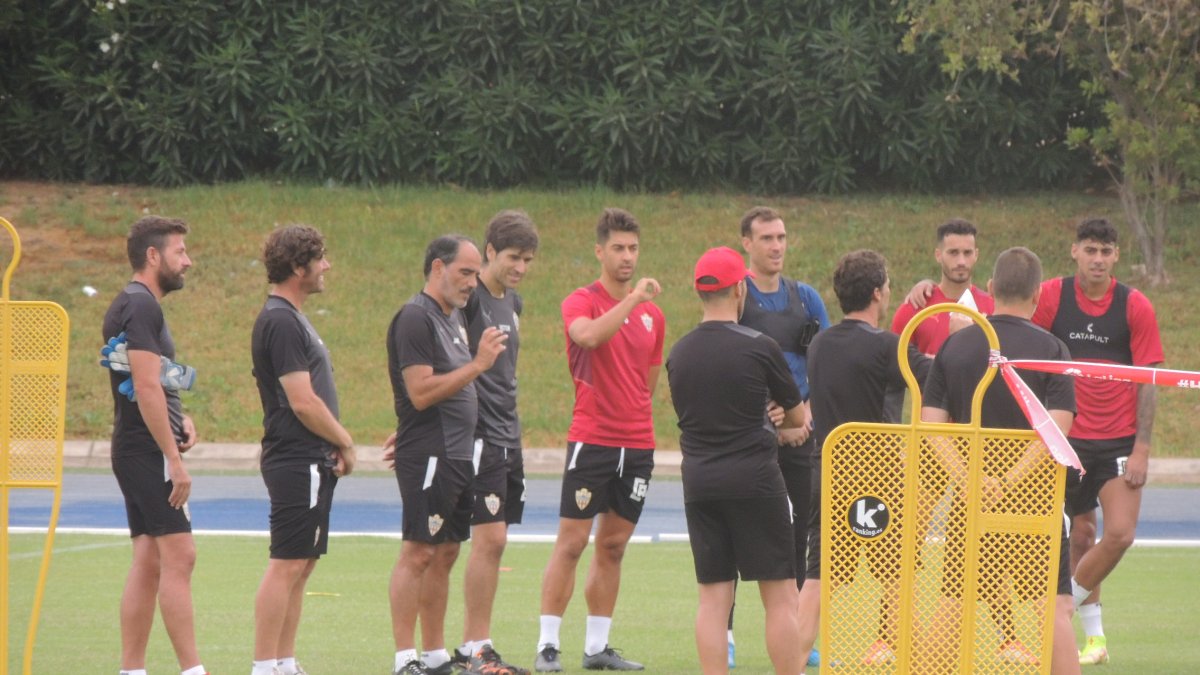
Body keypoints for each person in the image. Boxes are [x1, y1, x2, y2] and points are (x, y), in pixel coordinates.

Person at [921, 246, 1080, 675]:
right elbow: (1057, 427)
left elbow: (931, 425)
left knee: (954, 601)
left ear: (989, 290)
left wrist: (973, 479)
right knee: (1054, 605)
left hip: (970, 499)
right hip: (1034, 503)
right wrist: (1008, 480)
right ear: (1038, 296)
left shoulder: (956, 345)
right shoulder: (1051, 348)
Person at [534, 208, 665, 672]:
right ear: (599, 251)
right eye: (618, 248)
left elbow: (645, 385)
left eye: (633, 248)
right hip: (593, 441)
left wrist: (639, 305)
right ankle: (548, 643)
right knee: (571, 543)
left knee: (613, 546)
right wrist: (632, 301)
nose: (627, 257)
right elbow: (587, 337)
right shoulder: (582, 301)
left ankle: (596, 648)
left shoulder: (654, 316)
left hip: (639, 444)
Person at [1029, 218, 1164, 665]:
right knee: (1081, 534)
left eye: (1106, 252)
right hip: (1065, 439)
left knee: (1120, 534)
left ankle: (1058, 612)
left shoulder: (1134, 305)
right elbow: (1027, 349)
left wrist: (1142, 449)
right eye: (1090, 250)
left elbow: (1150, 381)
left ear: (1117, 257)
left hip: (1118, 442)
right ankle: (1095, 640)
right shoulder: (1050, 296)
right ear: (1075, 252)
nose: (1098, 259)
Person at [667, 246, 808, 674]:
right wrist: (780, 414)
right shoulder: (759, 346)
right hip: (755, 481)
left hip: (700, 483)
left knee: (713, 597)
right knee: (781, 595)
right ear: (740, 289)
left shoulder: (680, 352)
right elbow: (798, 417)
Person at [799, 250, 931, 668]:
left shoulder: (820, 344)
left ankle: (793, 657)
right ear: (877, 293)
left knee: (819, 576)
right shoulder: (888, 347)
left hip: (830, 471)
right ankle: (888, 651)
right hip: (879, 475)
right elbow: (937, 377)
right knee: (896, 573)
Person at [386, 235, 508, 675]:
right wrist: (477, 365)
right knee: (418, 552)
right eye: (465, 272)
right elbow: (419, 393)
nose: (473, 282)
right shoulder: (415, 318)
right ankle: (405, 659)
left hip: (457, 454)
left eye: (476, 274)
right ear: (438, 267)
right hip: (431, 454)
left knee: (446, 553)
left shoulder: (450, 318)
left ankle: (435, 654)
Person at [101, 215, 207, 675]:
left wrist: (179, 412)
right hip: (145, 450)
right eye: (180, 251)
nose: (188, 260)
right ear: (153, 255)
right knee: (180, 555)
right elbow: (144, 386)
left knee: (148, 559)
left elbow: (151, 375)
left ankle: (132, 670)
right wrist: (172, 459)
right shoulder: (142, 306)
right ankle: (192, 670)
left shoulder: (135, 304)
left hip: (136, 445)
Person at [250, 224, 356, 675]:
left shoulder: (292, 317)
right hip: (296, 459)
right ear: (298, 267)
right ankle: (263, 665)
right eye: (320, 257)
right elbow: (302, 400)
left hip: (311, 459)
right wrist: (344, 440)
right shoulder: (279, 319)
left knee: (302, 565)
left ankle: (284, 663)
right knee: (286, 564)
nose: (327, 265)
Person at [731, 206, 829, 668]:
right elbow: (723, 356)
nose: (776, 246)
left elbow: (823, 362)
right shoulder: (737, 297)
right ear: (746, 244)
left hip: (800, 431)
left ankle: (794, 636)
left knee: (796, 532)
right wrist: (765, 411)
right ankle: (725, 631)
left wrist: (801, 410)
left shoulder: (805, 297)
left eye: (782, 237)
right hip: (748, 434)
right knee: (734, 531)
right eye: (767, 238)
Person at [450, 212, 539, 675]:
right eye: (511, 257)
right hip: (478, 434)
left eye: (526, 259)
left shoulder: (513, 302)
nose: (519, 267)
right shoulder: (468, 300)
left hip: (509, 433)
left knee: (497, 542)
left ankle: (475, 645)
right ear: (489, 252)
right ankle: (474, 646)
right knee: (489, 539)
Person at [891, 218, 994, 356]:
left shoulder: (992, 307)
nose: (961, 261)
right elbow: (896, 364)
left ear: (976, 255)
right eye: (953, 253)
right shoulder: (916, 306)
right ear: (938, 255)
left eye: (967, 253)